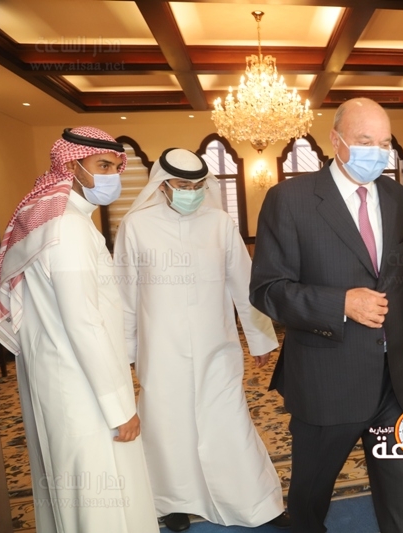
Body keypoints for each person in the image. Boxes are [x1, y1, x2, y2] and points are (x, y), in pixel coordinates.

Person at [250, 97, 403, 533]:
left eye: (385, 143)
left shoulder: (396, 196)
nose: (377, 153)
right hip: (327, 378)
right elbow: (268, 290)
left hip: (391, 375)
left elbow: (395, 270)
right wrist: (340, 304)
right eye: (365, 141)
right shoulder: (289, 199)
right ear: (336, 140)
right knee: (311, 496)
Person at [114, 148, 289, 532]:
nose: (190, 192)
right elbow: (125, 294)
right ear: (163, 184)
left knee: (228, 419)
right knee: (167, 425)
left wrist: (259, 338)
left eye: (197, 185)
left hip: (217, 346)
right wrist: (126, 352)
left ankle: (256, 502)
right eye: (182, 185)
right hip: (160, 349)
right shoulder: (136, 225)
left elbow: (244, 283)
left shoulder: (219, 223)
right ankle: (171, 502)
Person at [0, 127, 158, 532]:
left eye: (116, 167)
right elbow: (83, 323)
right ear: (71, 166)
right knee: (99, 498)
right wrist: (120, 409)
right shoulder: (68, 228)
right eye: (103, 165)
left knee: (74, 488)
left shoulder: (51, 224)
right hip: (84, 388)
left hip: (58, 377)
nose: (113, 176)